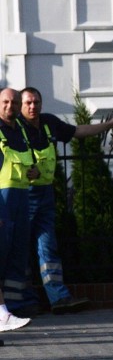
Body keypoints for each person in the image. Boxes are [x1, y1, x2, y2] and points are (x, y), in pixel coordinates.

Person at [18, 86, 113, 315]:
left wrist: (107, 125)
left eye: (36, 101)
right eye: (28, 102)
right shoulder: (15, 127)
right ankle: (24, 302)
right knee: (21, 250)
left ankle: (59, 298)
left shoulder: (48, 123)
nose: (32, 106)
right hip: (22, 195)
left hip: (45, 194)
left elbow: (78, 131)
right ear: (20, 105)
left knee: (48, 248)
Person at [0, 88, 42, 317]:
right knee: (3, 251)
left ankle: (15, 305)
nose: (10, 106)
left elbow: (30, 162)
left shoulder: (22, 132)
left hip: (22, 196)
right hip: (3, 197)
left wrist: (34, 171)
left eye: (14, 102)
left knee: (19, 251)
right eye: (5, 102)